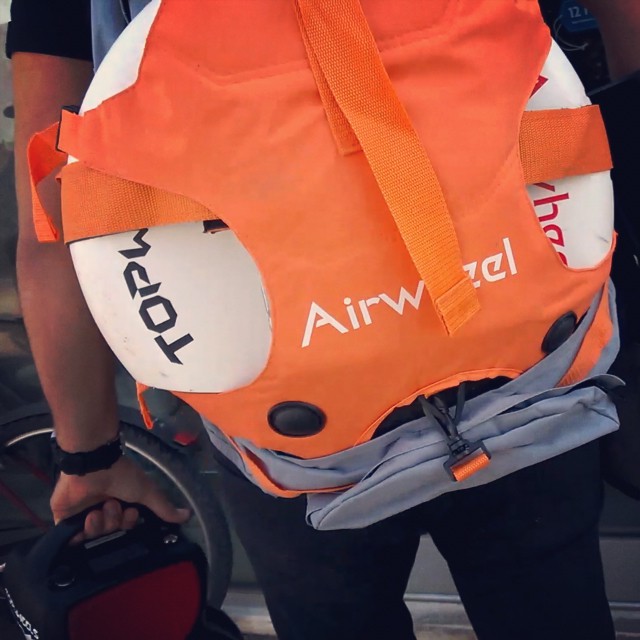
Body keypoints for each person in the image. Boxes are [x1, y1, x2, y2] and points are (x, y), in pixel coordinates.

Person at [5, 1, 639, 638]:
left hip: (291, 417)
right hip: (527, 357)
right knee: (550, 613)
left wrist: (88, 455)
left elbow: (55, 225)